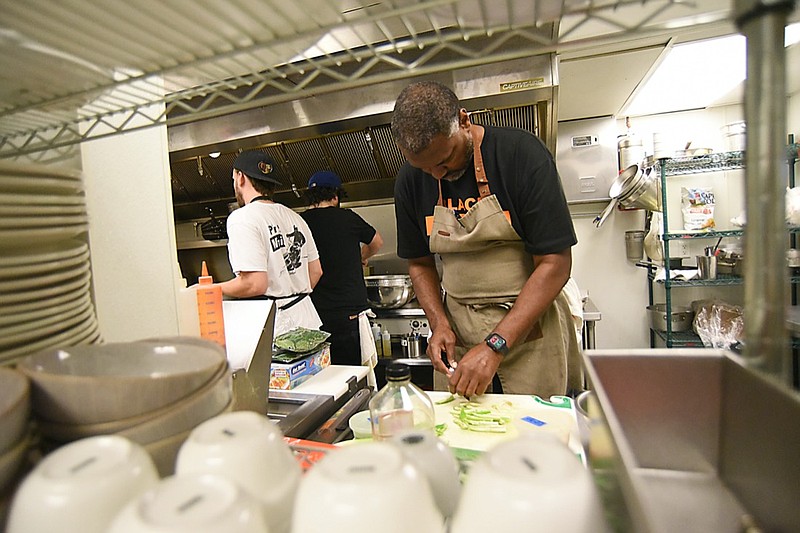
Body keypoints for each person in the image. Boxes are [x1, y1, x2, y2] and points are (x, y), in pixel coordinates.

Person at [390, 80, 582, 398]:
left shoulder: (521, 156)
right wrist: (439, 323)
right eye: (424, 168)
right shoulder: (410, 181)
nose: (437, 175)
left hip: (528, 332)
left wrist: (495, 344)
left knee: (533, 439)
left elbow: (555, 262)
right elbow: (420, 264)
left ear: (464, 121)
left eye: (444, 160)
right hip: (460, 334)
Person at [219, 150, 323, 336]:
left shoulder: (242, 218)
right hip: (308, 318)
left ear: (240, 177)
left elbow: (254, 284)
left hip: (277, 328)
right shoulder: (294, 217)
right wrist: (292, 292)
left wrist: (209, 290)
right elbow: (315, 272)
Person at [301, 170, 384, 367]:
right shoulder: (348, 218)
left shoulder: (301, 221)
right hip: (348, 313)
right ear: (336, 196)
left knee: (322, 374)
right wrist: (361, 257)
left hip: (315, 314)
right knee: (352, 374)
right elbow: (377, 242)